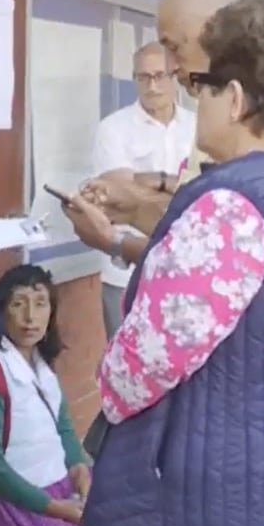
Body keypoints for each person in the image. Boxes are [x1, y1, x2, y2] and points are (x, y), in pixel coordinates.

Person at [62, 0, 264, 526]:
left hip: (222, 487)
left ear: (237, 99)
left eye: (202, 87)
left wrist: (106, 385)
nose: (192, 97)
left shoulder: (232, 205)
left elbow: (143, 361)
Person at [0, 264, 142, 526]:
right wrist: (54, 508)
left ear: (51, 312)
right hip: (10, 503)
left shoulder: (42, 367)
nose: (30, 317)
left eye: (40, 303)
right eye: (18, 304)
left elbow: (64, 429)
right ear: (0, 312)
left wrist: (79, 468)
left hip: (61, 488)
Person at [82, 0, 242, 246]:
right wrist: (143, 202)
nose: (172, 66)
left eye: (175, 48)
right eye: (143, 77)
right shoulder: (114, 127)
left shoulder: (245, 133)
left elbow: (203, 236)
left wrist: (118, 241)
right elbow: (187, 218)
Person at [90, 41, 192, 341]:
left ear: (176, 77)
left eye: (159, 75)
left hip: (185, 269)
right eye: (143, 77)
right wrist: (180, 189)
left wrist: (155, 181)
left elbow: (210, 192)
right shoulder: (113, 129)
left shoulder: (197, 128)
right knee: (125, 367)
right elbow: (120, 196)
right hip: (126, 271)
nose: (152, 85)